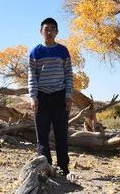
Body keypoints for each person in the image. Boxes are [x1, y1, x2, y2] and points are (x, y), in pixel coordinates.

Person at [28, 17, 73, 176]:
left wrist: (68, 96)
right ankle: (45, 166)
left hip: (60, 97)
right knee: (42, 135)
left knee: (61, 134)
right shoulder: (35, 52)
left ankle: (63, 167)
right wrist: (33, 97)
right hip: (41, 97)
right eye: (46, 29)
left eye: (53, 29)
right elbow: (32, 76)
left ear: (57, 32)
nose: (49, 32)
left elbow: (68, 75)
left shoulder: (63, 51)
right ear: (41, 31)